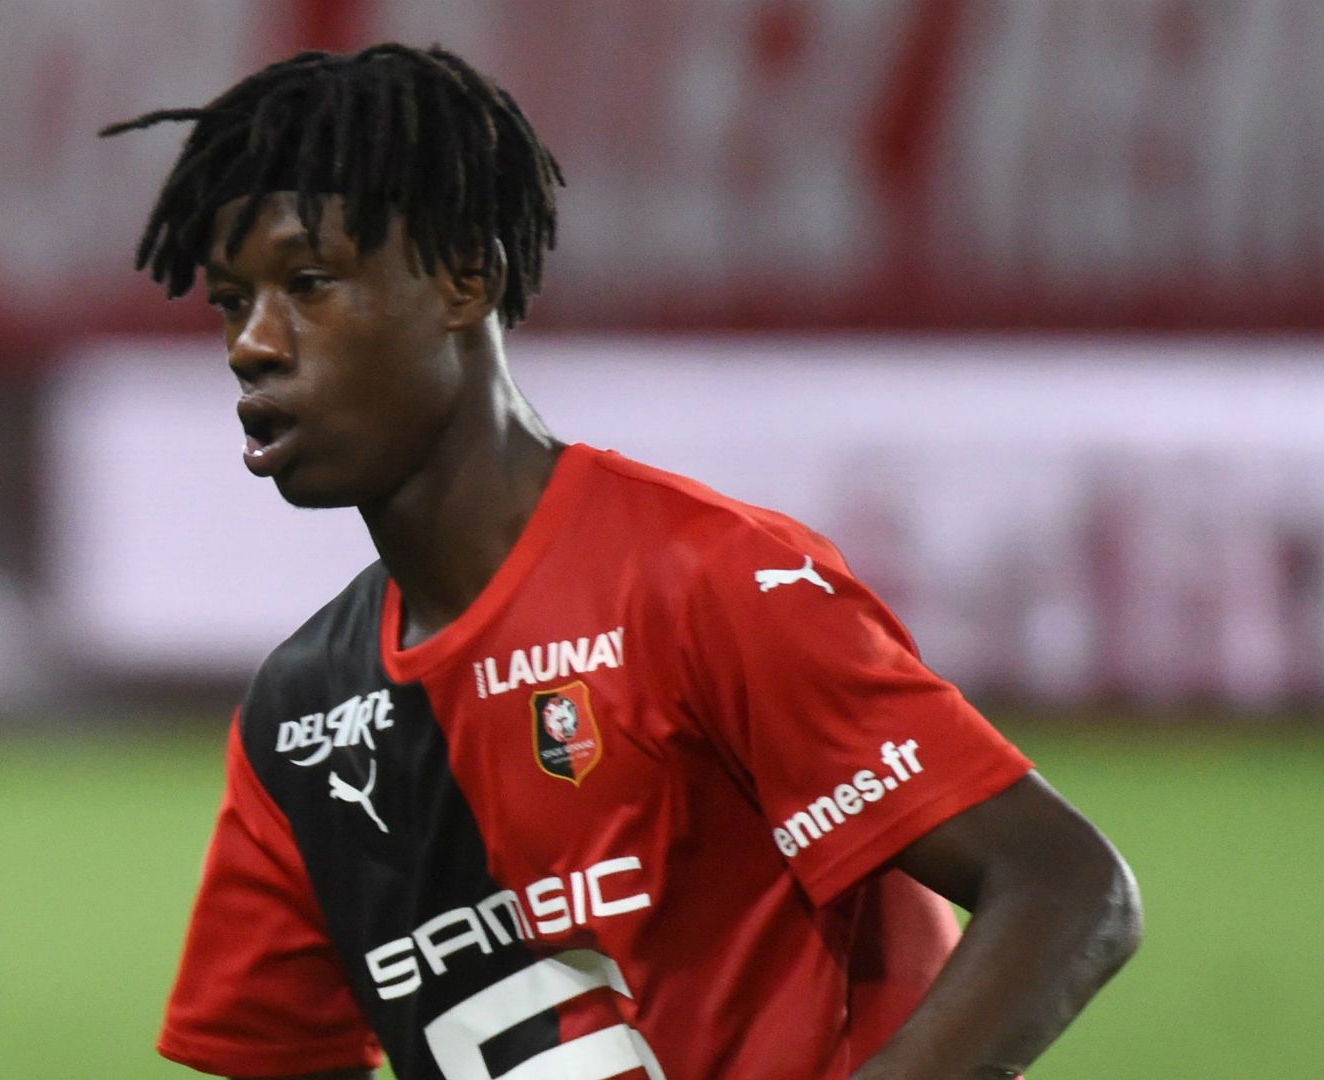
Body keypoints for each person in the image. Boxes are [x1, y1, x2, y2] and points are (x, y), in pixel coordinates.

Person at [102, 43, 1141, 1080]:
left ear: (465, 276)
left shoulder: (703, 582)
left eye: (307, 283)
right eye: (231, 301)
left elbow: (1067, 888)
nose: (251, 344)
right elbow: (270, 1054)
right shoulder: (303, 714)